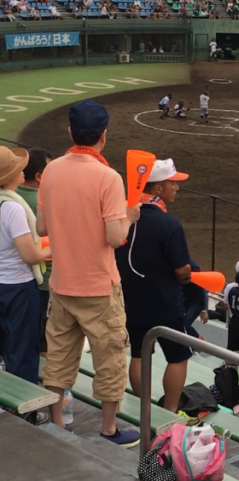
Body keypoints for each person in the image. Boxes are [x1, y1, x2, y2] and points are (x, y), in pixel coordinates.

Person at [37, 99, 140, 446]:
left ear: (70, 132)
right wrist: (130, 216)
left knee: (59, 356)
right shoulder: (108, 177)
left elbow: (41, 228)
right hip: (98, 285)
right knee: (110, 357)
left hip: (62, 283)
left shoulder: (51, 171)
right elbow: (115, 237)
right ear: (103, 135)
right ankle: (108, 429)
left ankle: (56, 423)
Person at [115, 158, 194, 414]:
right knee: (178, 355)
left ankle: (144, 409)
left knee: (139, 353)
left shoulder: (123, 215)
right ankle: (170, 412)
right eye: (172, 183)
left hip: (130, 298)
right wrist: (187, 278)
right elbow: (181, 269)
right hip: (164, 301)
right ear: (158, 189)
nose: (177, 188)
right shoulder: (169, 224)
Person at [0, 145, 50, 384]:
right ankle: (24, 413)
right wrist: (52, 249)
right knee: (23, 349)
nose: (23, 171)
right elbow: (30, 255)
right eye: (17, 169)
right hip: (19, 287)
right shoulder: (12, 207)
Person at [18, 147, 53, 349]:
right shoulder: (44, 202)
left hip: (22, 278)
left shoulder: (12, 195)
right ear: (39, 176)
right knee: (44, 340)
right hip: (44, 278)